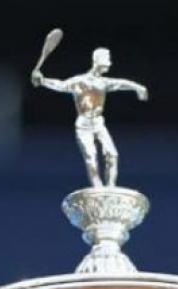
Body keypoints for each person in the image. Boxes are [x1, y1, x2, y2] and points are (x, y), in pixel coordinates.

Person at [32, 47, 148, 188]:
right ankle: (97, 187)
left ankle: (111, 187)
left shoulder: (103, 83)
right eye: (107, 60)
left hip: (99, 123)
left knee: (112, 154)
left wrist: (138, 88)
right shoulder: (79, 82)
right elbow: (61, 85)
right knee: (91, 157)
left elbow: (122, 83)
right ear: (98, 61)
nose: (109, 64)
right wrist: (43, 80)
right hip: (84, 125)